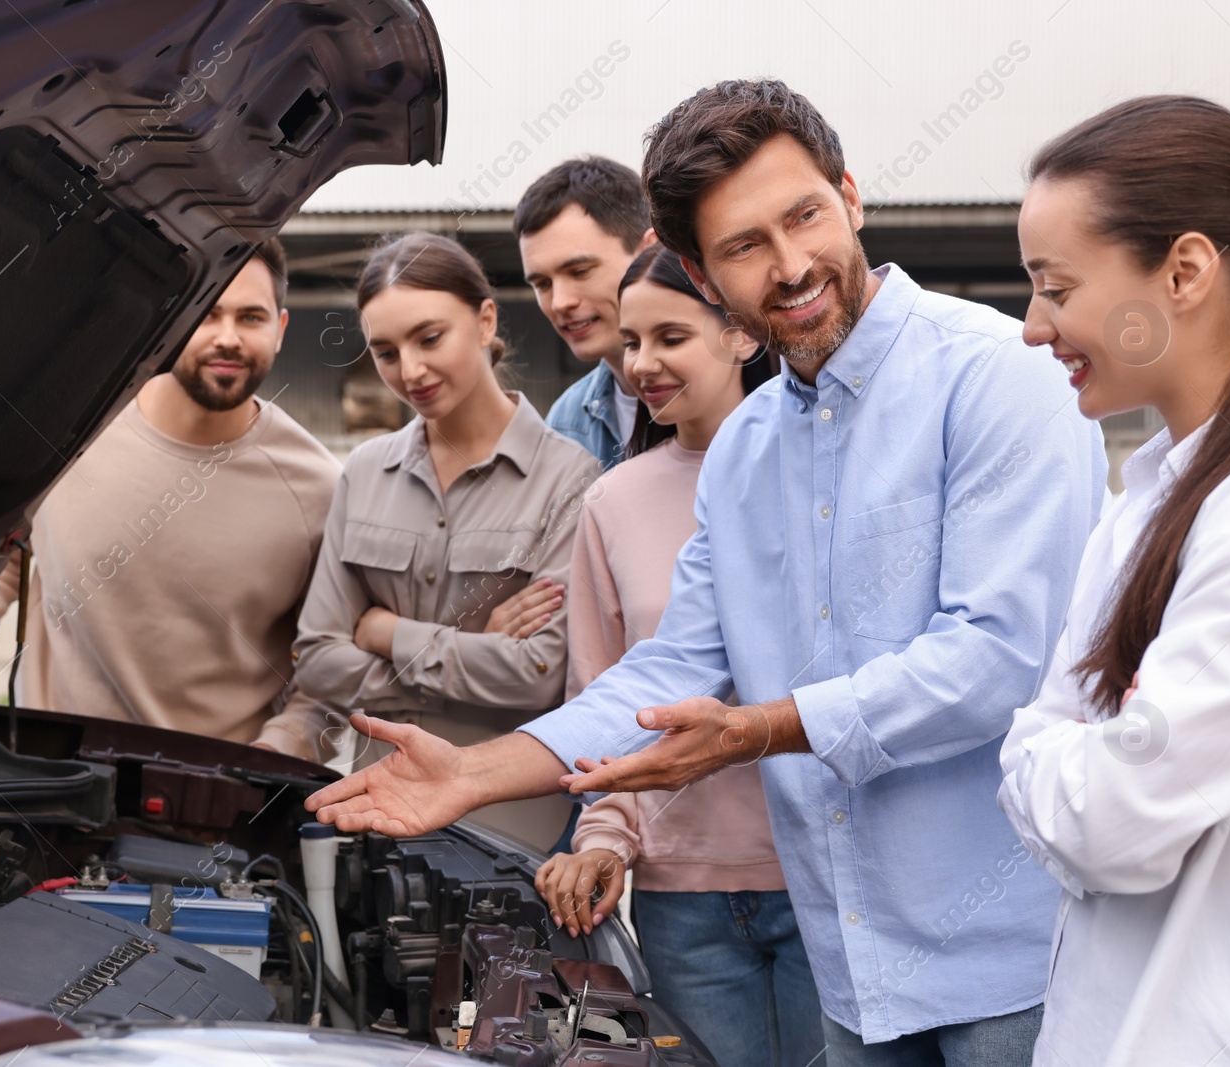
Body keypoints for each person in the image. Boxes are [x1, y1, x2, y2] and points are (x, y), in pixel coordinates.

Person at [307, 79, 1110, 1066]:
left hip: (1014, 958)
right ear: (699, 270)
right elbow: (666, 670)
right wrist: (476, 770)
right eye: (742, 246)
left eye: (804, 216)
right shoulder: (744, 452)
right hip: (851, 966)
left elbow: (996, 654)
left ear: (850, 196)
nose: (788, 265)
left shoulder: (996, 374)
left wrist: (757, 731)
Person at [999, 96, 1230, 1067]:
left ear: (1184, 270)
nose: (1032, 326)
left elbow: (1108, 821)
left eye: (1054, 288)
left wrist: (1042, 740)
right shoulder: (1154, 487)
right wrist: (1071, 742)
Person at [0, 242, 346, 761]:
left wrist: (268, 761)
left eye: (251, 317)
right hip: (44, 775)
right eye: (209, 313)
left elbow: (329, 676)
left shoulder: (321, 490)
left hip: (205, 806)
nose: (227, 338)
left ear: (280, 329)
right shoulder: (66, 427)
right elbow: (9, 556)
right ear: (173, 320)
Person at [534, 244, 816, 1067]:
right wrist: (603, 839)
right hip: (679, 896)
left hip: (817, 880)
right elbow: (603, 698)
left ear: (740, 335)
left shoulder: (819, 479)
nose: (642, 364)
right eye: (630, 342)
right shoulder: (611, 500)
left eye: (670, 337)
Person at [292, 233, 601, 849]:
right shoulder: (364, 472)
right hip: (378, 821)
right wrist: (469, 648)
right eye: (385, 351)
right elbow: (318, 660)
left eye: (430, 338)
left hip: (513, 835)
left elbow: (542, 674)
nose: (409, 371)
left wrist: (388, 635)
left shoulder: (571, 479)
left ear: (485, 320)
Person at [517, 157, 656, 471]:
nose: (559, 303)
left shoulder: (748, 391)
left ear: (649, 252)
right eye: (542, 284)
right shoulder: (564, 424)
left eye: (580, 271)